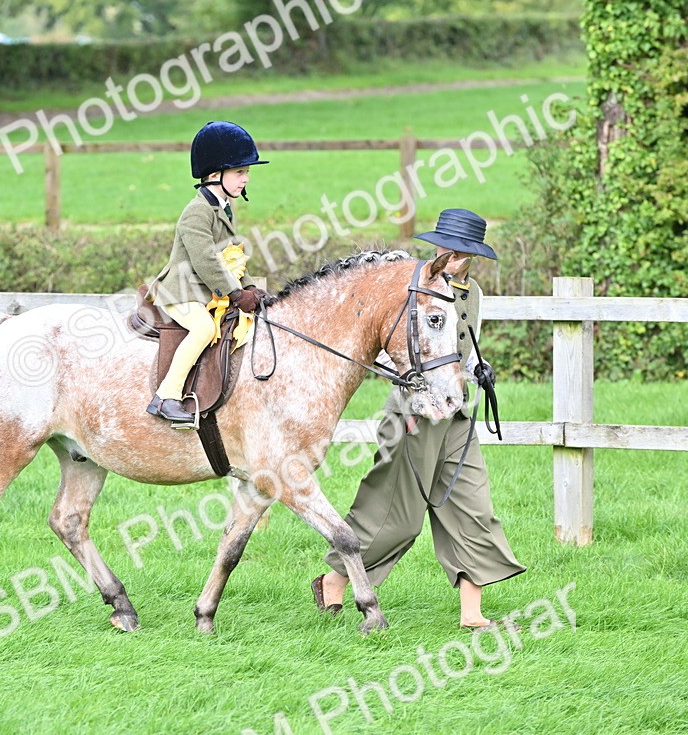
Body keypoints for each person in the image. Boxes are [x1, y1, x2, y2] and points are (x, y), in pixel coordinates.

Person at [311, 208, 525, 630]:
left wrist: (477, 369)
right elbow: (395, 342)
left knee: (473, 508)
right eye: (447, 246)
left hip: (458, 415)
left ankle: (472, 615)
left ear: (472, 255)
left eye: (462, 251)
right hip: (414, 415)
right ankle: (333, 582)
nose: (451, 255)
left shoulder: (473, 292)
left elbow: (456, 347)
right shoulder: (415, 284)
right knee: (396, 517)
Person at [145, 121, 272, 425]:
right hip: (181, 290)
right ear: (216, 175)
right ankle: (167, 396)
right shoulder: (196, 212)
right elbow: (206, 261)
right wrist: (234, 293)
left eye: (246, 172)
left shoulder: (225, 208)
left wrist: (252, 287)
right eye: (240, 172)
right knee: (204, 329)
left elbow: (232, 256)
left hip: (206, 290)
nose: (246, 178)